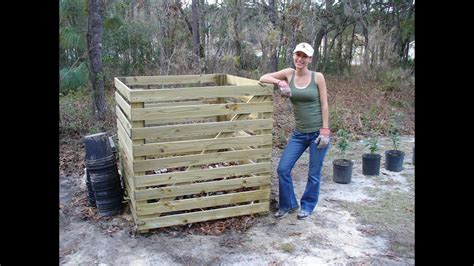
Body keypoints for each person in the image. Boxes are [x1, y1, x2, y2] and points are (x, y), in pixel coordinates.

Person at [259, 42, 331, 220]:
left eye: (304, 56)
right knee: (283, 168)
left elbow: (324, 104)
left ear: (310, 59)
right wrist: (280, 83)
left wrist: (325, 131)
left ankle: (307, 206)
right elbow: (263, 78)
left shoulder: (318, 77)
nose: (300, 59)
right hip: (299, 133)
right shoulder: (288, 73)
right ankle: (289, 204)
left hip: (317, 133)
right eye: (298, 55)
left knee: (313, 173)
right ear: (293, 55)